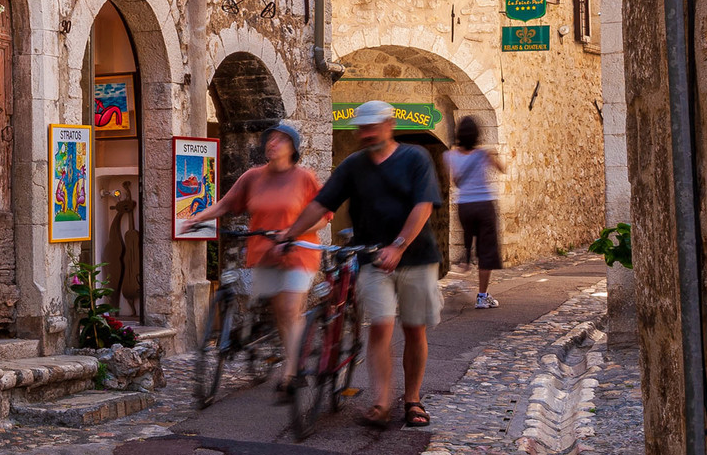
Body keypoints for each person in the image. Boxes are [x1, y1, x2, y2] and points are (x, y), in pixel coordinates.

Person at [277, 101, 441, 430]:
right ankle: (380, 402)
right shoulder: (353, 166)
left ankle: (412, 399)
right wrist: (290, 233)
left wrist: (399, 246)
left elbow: (423, 206)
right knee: (380, 324)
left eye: (372, 127)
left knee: (414, 328)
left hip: (416, 256)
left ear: (389, 125)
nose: (366, 134)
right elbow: (322, 203)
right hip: (371, 258)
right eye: (361, 128)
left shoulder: (414, 158)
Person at [201, 121, 320, 397]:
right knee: (280, 312)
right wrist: (196, 218)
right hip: (266, 252)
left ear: (292, 148)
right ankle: (291, 359)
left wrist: (292, 233)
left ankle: (291, 373)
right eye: (270, 139)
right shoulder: (253, 177)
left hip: (299, 250)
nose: (272, 143)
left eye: (279, 140)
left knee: (290, 308)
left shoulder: (304, 178)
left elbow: (323, 217)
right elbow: (226, 204)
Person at [448, 115, 505, 308]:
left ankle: (459, 274)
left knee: (466, 247)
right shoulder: (483, 155)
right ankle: (482, 296)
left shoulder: (450, 156)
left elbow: (455, 181)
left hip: (464, 206)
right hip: (484, 205)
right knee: (486, 251)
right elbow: (502, 169)